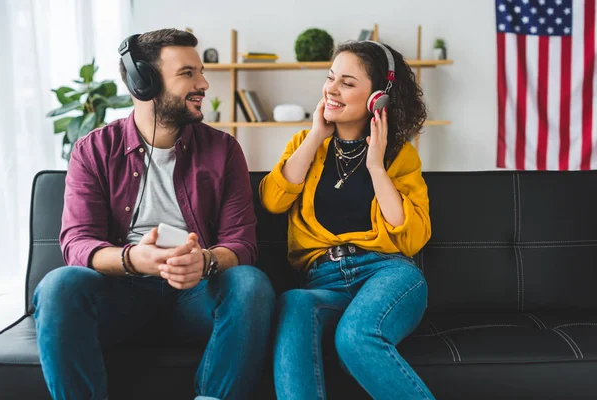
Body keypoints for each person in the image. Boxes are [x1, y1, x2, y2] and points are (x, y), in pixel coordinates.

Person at [33, 28, 275, 400]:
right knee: (58, 286)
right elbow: (78, 244)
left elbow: (241, 243)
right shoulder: (93, 151)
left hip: (195, 296)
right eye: (188, 73)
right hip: (120, 295)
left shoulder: (223, 150)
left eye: (201, 71)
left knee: (250, 284)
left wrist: (206, 262)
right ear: (143, 83)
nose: (204, 83)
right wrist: (134, 260)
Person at [260, 40, 434, 400]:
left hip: (387, 274)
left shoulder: (400, 156)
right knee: (294, 302)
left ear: (378, 97)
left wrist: (375, 166)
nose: (331, 90)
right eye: (330, 78)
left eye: (347, 83)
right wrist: (315, 136)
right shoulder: (305, 145)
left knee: (354, 337)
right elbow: (273, 200)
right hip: (324, 281)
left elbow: (411, 236)